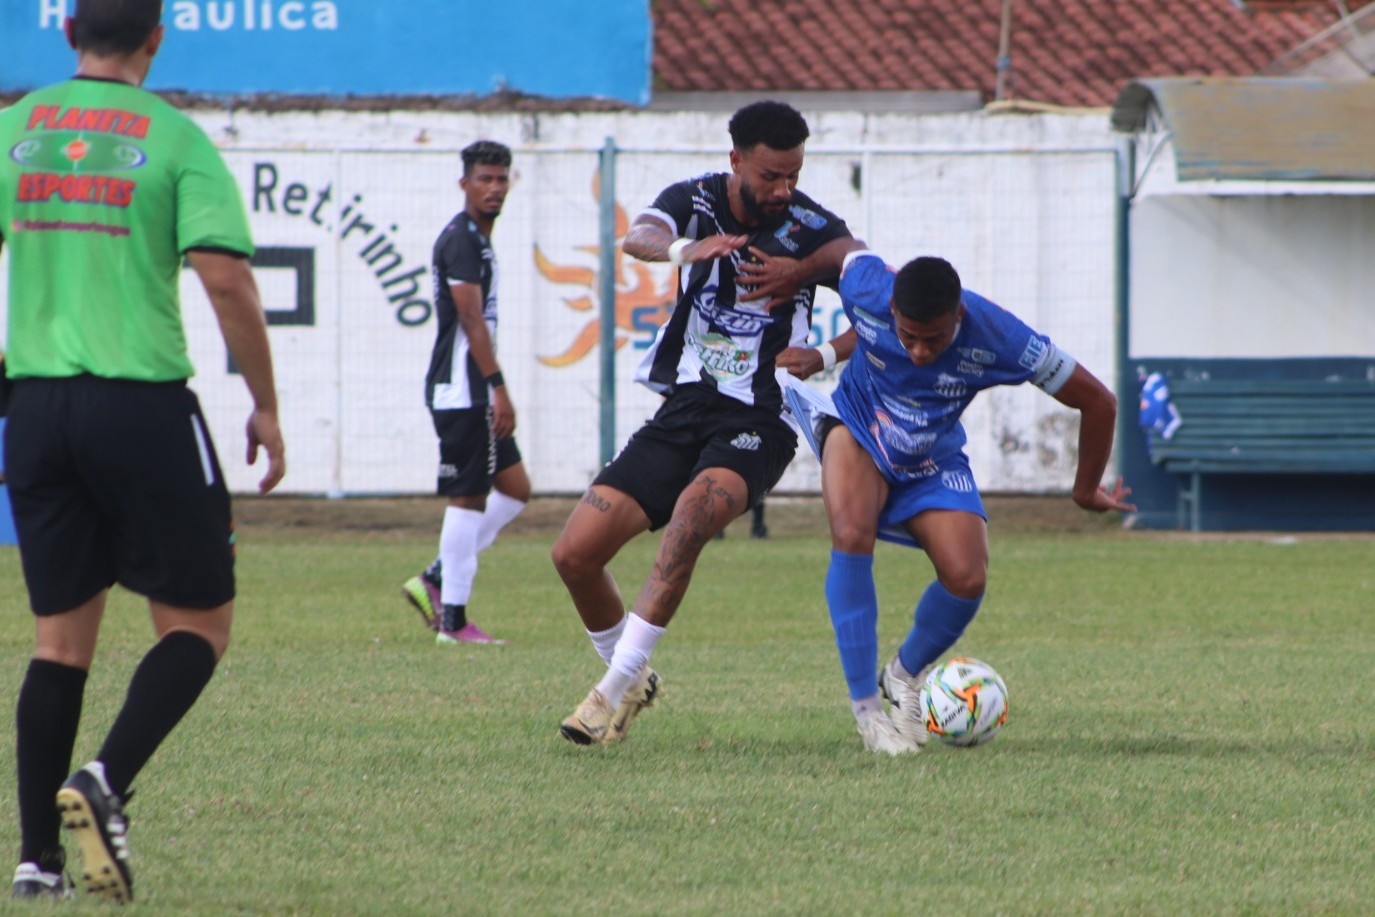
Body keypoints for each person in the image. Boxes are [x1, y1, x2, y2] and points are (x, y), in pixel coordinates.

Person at [0, 0, 286, 902]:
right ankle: (105, 778)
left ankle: (36, 859)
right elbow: (225, 276)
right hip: (142, 406)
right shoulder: (174, 138)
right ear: (156, 39)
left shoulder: (14, 130)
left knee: (59, 641)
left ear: (66, 35)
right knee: (199, 624)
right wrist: (266, 404)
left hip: (36, 406)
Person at [551, 100, 854, 745]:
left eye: (794, 175)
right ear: (736, 160)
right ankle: (630, 676)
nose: (784, 189)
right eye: (771, 175)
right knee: (575, 555)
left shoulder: (810, 227)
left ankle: (607, 697)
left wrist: (819, 330)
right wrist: (691, 249)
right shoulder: (695, 200)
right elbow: (640, 238)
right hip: (685, 407)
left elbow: (881, 292)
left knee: (691, 518)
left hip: (762, 416)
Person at [777, 246, 1134, 754]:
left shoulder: (1002, 337)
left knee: (967, 576)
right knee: (851, 533)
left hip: (931, 454)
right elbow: (841, 249)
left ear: (959, 317)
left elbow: (1098, 400)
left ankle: (902, 675)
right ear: (894, 313)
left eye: (935, 340)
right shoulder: (868, 287)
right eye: (909, 337)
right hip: (858, 426)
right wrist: (822, 340)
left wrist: (1084, 489)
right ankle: (868, 713)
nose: (920, 352)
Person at [400, 140, 529, 646]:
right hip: (464, 390)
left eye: (501, 179)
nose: (494, 188)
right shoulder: (461, 240)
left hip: (473, 387)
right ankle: (453, 622)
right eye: (485, 179)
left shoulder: (478, 238)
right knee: (468, 498)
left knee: (516, 490)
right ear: (465, 184)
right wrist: (498, 387)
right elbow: (470, 318)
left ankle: (434, 576)